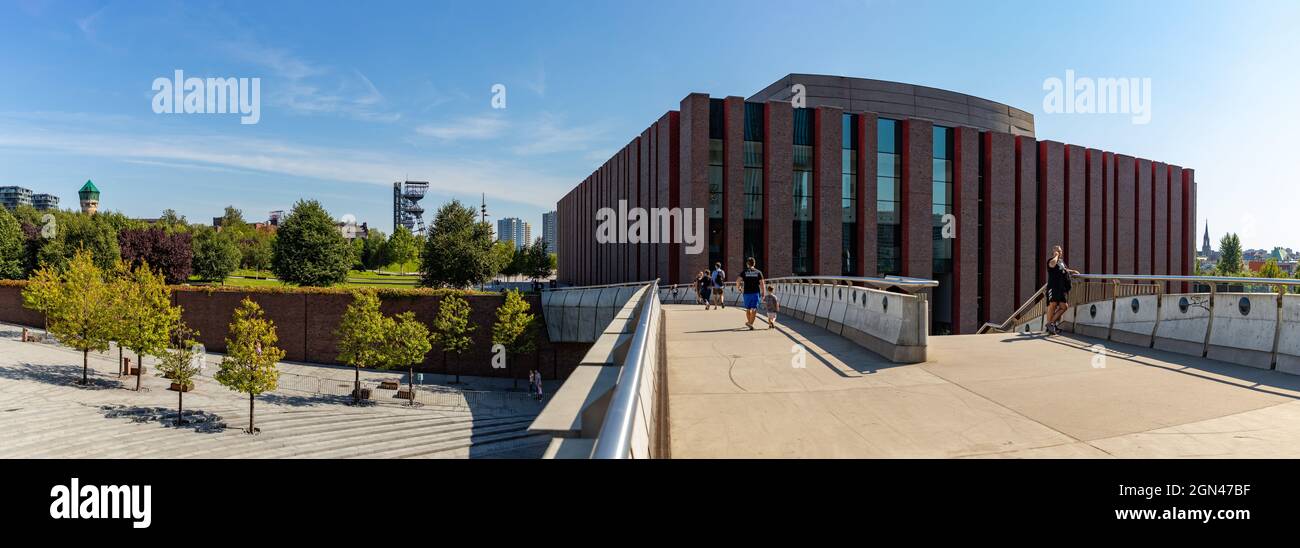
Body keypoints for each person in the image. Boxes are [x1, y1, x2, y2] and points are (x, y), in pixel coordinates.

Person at [1045, 244, 1080, 335]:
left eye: (1060, 251)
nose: (1060, 252)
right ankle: (1051, 326)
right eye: (1058, 251)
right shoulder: (1051, 260)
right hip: (1053, 287)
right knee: (1052, 305)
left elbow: (1064, 270)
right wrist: (1056, 256)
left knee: (1064, 306)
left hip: (1061, 288)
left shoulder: (1061, 262)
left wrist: (1073, 271)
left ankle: (1050, 324)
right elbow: (1052, 265)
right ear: (1053, 252)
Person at [735, 257, 765, 330]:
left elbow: (738, 281)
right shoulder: (758, 272)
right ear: (754, 263)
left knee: (748, 309)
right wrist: (763, 292)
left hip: (747, 293)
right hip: (755, 293)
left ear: (747, 264)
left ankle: (749, 322)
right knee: (754, 308)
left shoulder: (744, 272)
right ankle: (750, 323)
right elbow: (762, 284)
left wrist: (738, 288)